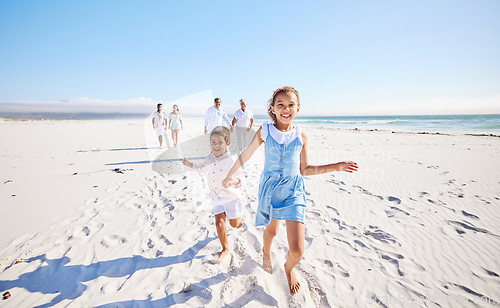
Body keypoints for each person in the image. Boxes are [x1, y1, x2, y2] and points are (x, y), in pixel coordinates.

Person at [222, 87, 358, 295]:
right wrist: (229, 175)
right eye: (281, 105)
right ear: (273, 109)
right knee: (273, 231)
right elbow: (246, 154)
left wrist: (336, 166)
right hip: (271, 190)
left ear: (298, 108)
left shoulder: (301, 134)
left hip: (294, 192)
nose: (286, 109)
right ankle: (266, 251)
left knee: (297, 251)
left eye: (290, 105)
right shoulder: (265, 130)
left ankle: (288, 268)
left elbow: (304, 169)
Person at [182, 126, 243, 259]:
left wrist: (231, 182)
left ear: (227, 144)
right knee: (219, 223)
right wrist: (190, 164)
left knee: (234, 224)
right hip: (216, 195)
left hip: (230, 197)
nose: (216, 145)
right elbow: (202, 169)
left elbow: (240, 178)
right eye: (213, 142)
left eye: (220, 142)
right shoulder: (209, 158)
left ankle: (238, 220)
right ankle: (225, 248)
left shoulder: (231, 160)